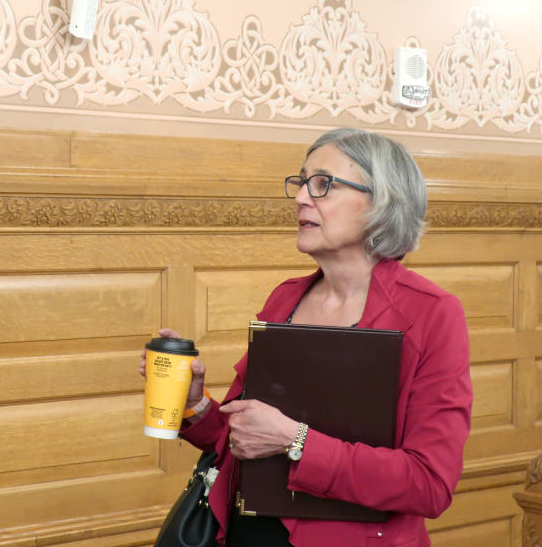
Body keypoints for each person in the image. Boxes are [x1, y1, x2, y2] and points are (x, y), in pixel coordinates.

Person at [140, 128, 472, 547]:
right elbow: (244, 443)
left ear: (381, 203)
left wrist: (295, 441)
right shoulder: (285, 299)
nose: (300, 197)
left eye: (323, 184)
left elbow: (429, 484)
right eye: (301, 182)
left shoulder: (432, 313)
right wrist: (198, 407)